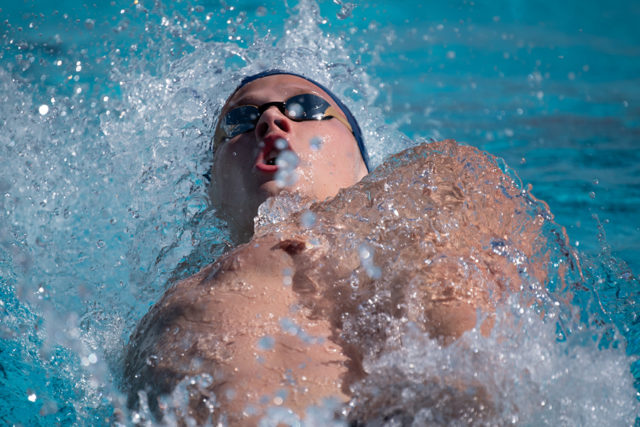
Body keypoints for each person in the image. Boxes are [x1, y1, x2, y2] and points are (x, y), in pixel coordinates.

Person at [124, 70, 547, 425]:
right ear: (211, 191)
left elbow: (483, 356)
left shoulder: (434, 182)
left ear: (364, 163)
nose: (270, 120)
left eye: (305, 108)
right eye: (239, 120)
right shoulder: (166, 311)